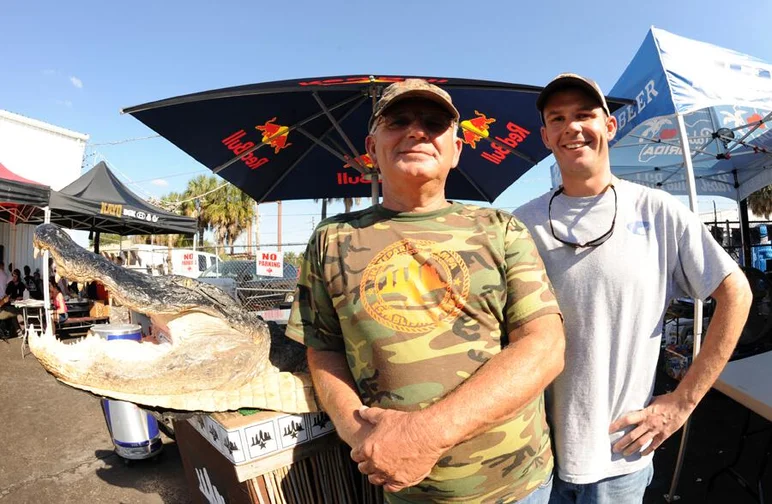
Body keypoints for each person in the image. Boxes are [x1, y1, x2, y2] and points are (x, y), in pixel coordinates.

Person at [286, 79, 565, 503]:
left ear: (455, 150)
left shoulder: (499, 229)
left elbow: (545, 347)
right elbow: (322, 350)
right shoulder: (331, 240)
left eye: (434, 124)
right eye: (397, 121)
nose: (416, 131)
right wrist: (364, 437)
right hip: (400, 490)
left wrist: (425, 435)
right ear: (372, 147)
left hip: (516, 488)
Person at [514, 73, 753, 503]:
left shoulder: (657, 210)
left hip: (618, 456)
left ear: (609, 126)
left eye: (584, 114)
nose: (572, 127)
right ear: (546, 136)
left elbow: (736, 292)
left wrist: (682, 403)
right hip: (531, 459)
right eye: (558, 118)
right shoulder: (519, 223)